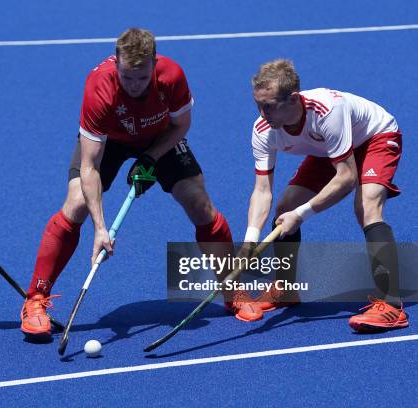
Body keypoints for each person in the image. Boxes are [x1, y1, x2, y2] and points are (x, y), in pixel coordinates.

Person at [20, 28, 262, 341]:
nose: (135, 86)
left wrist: (150, 158)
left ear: (154, 64)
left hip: (160, 137)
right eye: (127, 77)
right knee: (77, 203)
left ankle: (232, 288)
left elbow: (181, 126)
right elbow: (90, 165)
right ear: (116, 63)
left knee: (199, 203)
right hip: (109, 142)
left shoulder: (172, 76)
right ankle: (35, 299)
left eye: (142, 78)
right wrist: (101, 228)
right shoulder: (99, 88)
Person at [242, 59, 408, 332]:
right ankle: (285, 290)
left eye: (269, 106)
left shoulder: (328, 110)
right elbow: (262, 191)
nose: (262, 113)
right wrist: (250, 240)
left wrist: (301, 215)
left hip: (374, 137)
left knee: (366, 207)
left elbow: (345, 178)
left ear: (293, 99)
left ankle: (391, 304)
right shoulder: (263, 129)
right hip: (328, 147)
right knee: (285, 205)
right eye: (258, 104)